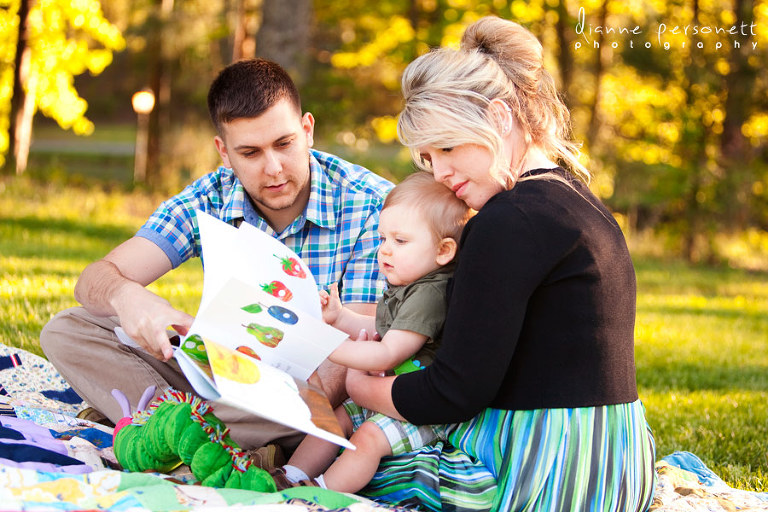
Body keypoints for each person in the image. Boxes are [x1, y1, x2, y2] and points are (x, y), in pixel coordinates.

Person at [346, 16, 657, 511]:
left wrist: (359, 386)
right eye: (428, 158)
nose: (441, 172)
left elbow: (452, 392)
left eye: (448, 147)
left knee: (355, 456)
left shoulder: (507, 221)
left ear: (498, 118)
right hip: (617, 461)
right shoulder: (574, 198)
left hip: (551, 472)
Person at [39, 58, 393, 452]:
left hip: (310, 389)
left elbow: (357, 351)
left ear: (307, 130)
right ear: (224, 152)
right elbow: (94, 279)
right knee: (68, 329)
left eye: (284, 143)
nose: (274, 168)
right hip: (221, 369)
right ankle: (197, 435)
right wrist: (129, 297)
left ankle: (161, 425)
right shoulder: (208, 197)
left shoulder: (371, 204)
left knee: (322, 394)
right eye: (251, 152)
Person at [271, 172, 474, 493]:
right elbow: (379, 326)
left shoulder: (430, 295)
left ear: (443, 251)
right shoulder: (409, 284)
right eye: (382, 239)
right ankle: (291, 474)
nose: (385, 250)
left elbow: (388, 351)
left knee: (369, 437)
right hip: (389, 394)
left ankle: (320, 493)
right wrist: (341, 317)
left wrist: (329, 347)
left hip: (421, 413)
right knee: (335, 418)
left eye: (400, 241)